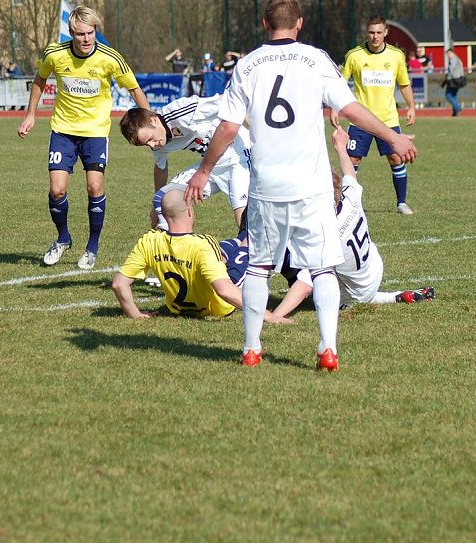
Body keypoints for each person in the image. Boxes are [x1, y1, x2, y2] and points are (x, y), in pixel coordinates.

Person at [185, 0, 417, 371]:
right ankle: (327, 349)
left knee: (260, 268)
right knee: (323, 268)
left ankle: (251, 348)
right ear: (300, 24)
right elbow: (351, 108)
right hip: (312, 185)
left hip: (266, 186)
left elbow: (228, 127)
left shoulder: (246, 64)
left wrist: (203, 170)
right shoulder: (315, 58)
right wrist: (394, 137)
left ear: (265, 24)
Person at [17, 6, 150, 270]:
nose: (87, 38)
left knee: (94, 188)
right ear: (71, 33)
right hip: (63, 131)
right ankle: (63, 239)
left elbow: (135, 89)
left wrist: (149, 123)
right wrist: (30, 114)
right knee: (57, 189)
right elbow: (40, 79)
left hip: (96, 133)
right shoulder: (55, 54)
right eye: (81, 34)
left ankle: (92, 247)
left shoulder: (110, 58)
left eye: (91, 32)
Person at [271, 127, 434, 319]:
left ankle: (354, 301)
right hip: (373, 269)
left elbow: (305, 285)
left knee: (290, 251)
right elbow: (349, 174)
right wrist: (340, 147)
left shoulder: (324, 232)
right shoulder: (349, 198)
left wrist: (276, 315)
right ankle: (389, 297)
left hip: (351, 291)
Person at [111, 186, 289, 323]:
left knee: (229, 245)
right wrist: (267, 316)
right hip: (219, 307)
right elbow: (225, 290)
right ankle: (250, 233)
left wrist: (134, 314)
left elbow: (119, 284)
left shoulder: (148, 241)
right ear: (189, 211)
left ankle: (242, 236)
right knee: (251, 245)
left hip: (177, 308)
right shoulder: (202, 243)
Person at [119, 94, 250, 229]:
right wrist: (157, 205)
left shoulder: (181, 112)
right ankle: (177, 247)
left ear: (154, 120)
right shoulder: (157, 143)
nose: (152, 146)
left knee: (243, 218)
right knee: (164, 199)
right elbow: (160, 167)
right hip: (209, 166)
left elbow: (231, 100)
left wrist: (257, 131)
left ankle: (253, 248)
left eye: (150, 139)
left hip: (239, 157)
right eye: (146, 144)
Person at [330, 15, 416, 215]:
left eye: (379, 32)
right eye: (371, 32)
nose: (375, 36)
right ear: (366, 32)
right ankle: (350, 205)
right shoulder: (354, 55)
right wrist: (335, 107)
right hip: (360, 120)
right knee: (352, 160)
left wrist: (411, 106)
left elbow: (404, 84)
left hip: (388, 119)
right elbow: (340, 83)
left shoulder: (396, 56)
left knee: (396, 159)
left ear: (386, 32)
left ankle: (401, 203)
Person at [444, 48, 465, 116]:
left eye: (448, 54)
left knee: (448, 95)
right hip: (459, 80)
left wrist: (447, 79)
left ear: (452, 53)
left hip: (453, 80)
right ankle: (455, 112)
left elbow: (451, 70)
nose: (448, 56)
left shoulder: (453, 60)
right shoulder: (458, 59)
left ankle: (457, 107)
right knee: (454, 95)